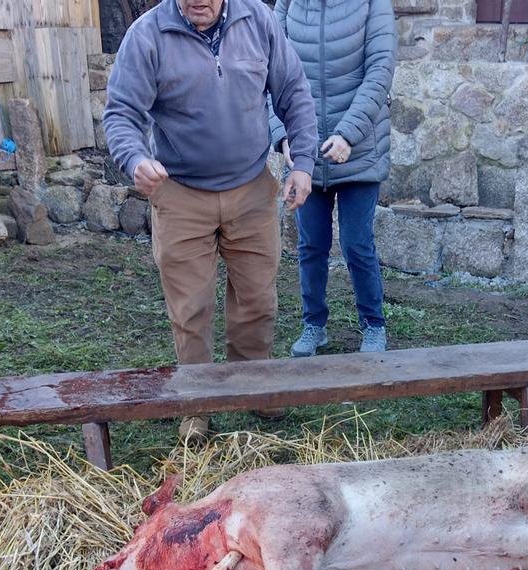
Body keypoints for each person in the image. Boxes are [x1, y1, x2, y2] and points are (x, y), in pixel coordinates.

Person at [103, 0, 318, 443]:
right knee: (191, 307)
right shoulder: (147, 35)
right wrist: (136, 158)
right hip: (180, 193)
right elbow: (122, 113)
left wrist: (303, 163)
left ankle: (253, 388)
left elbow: (294, 92)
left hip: (251, 188)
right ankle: (198, 405)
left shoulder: (258, 21)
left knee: (257, 299)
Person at [270, 0, 396, 358]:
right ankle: (314, 325)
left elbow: (380, 70)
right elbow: (268, 75)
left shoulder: (373, 4)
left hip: (357, 149)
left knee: (357, 243)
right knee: (310, 245)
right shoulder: (288, 6)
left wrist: (348, 134)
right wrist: (282, 136)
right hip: (304, 156)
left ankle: (373, 325)